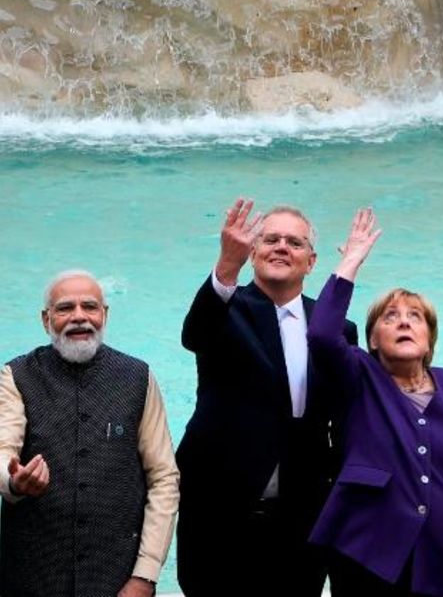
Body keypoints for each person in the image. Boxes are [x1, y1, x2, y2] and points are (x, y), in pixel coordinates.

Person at [307, 207, 443, 597]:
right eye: (390, 317)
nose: (405, 322)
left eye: (415, 317)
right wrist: (350, 263)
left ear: (430, 338)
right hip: (368, 557)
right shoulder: (360, 375)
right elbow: (322, 334)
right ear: (373, 340)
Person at [175, 199, 358, 596]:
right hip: (221, 509)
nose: (281, 247)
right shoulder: (225, 308)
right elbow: (195, 334)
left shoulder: (338, 330)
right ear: (253, 252)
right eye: (270, 239)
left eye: (294, 242)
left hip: (301, 512)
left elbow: (346, 419)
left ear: (311, 261)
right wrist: (226, 265)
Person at [0, 270, 180, 597]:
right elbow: (3, 451)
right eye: (65, 308)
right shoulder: (17, 375)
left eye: (90, 307)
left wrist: (146, 576)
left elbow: (164, 477)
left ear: (105, 315)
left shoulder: (138, 378)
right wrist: (13, 481)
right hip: (32, 577)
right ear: (46, 319)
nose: (79, 317)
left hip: (117, 580)